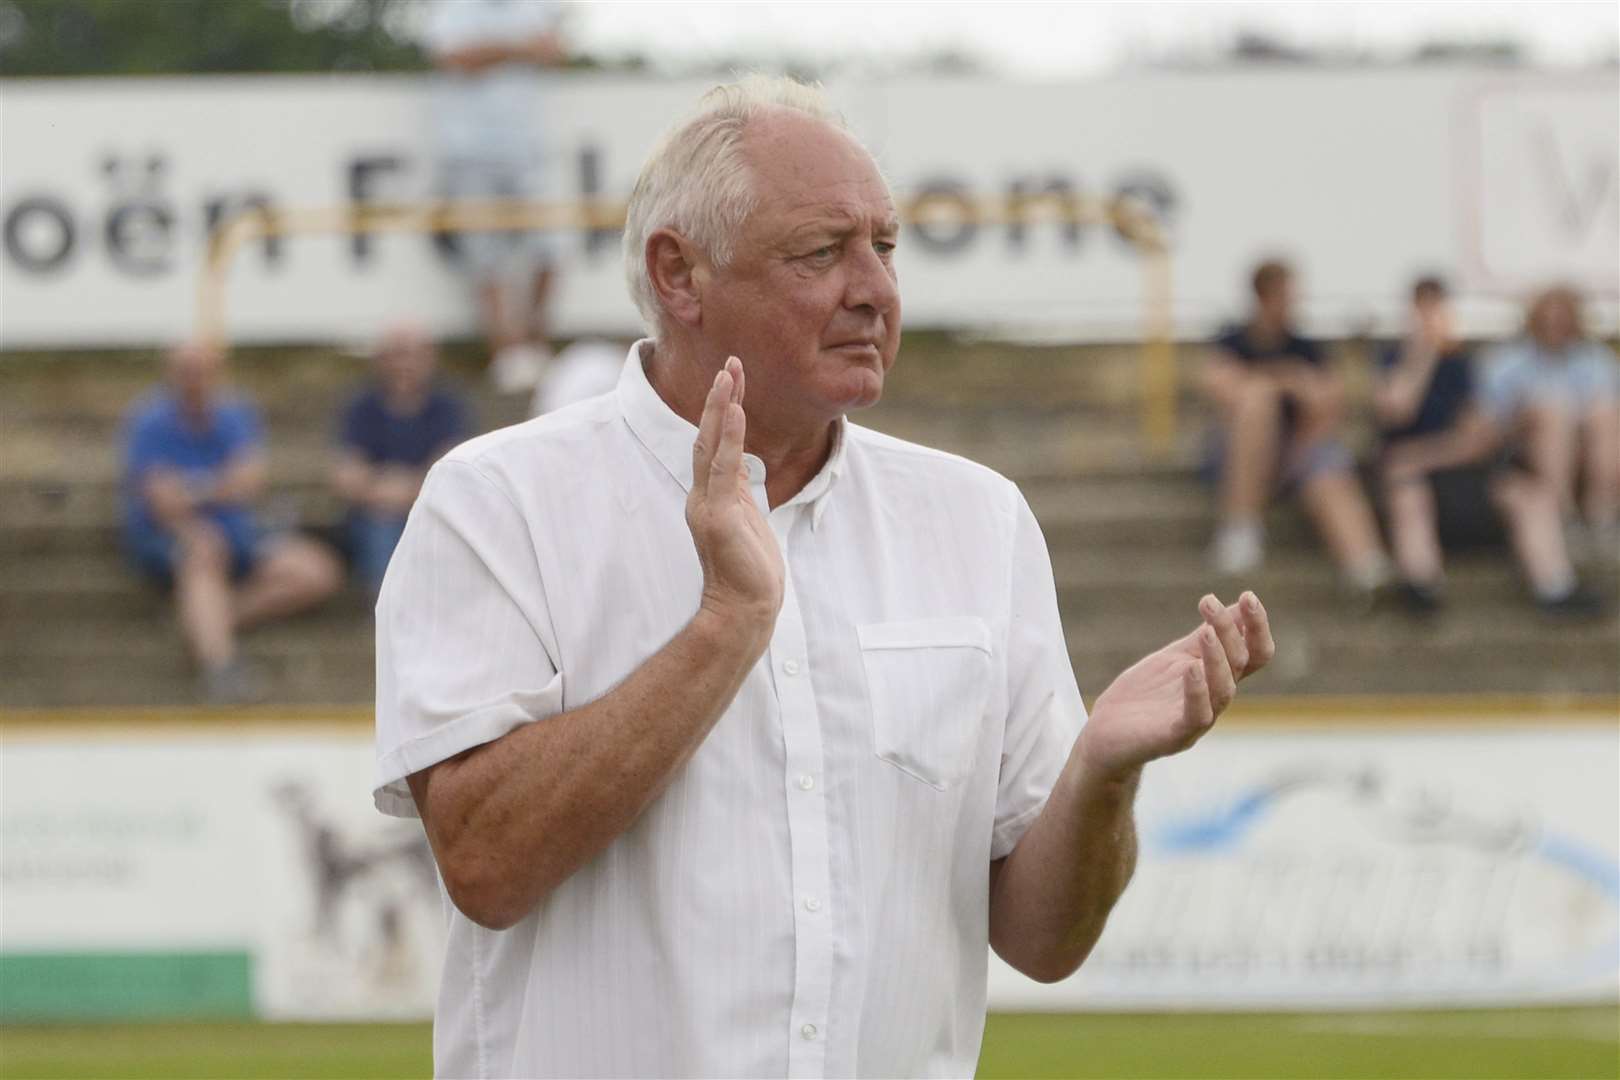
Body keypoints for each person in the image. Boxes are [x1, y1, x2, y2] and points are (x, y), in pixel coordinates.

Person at [374, 76, 1275, 1079]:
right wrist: (725, 626)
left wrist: (1104, 774)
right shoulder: (497, 502)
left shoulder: (978, 520)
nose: (875, 289)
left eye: (885, 247)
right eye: (821, 251)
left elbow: (1043, 942)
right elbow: (487, 865)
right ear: (680, 275)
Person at [122, 342, 342, 702]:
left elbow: (250, 483)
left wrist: (191, 488)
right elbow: (163, 502)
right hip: (168, 536)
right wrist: (213, 494)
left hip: (239, 532)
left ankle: (204, 625)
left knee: (315, 571)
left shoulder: (236, 413)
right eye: (186, 371)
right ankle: (221, 668)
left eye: (202, 371)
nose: (195, 380)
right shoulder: (149, 421)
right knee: (203, 551)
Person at [1375, 277, 1601, 616]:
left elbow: (1480, 439)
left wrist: (1421, 456)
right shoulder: (1390, 359)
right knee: (1408, 492)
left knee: (1531, 495)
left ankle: (1555, 587)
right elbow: (1397, 409)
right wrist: (1422, 352)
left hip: (1461, 476)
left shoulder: (1467, 368)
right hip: (1415, 483)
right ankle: (1421, 585)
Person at [1202, 259, 1392, 598]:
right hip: (1240, 454)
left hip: (1297, 452)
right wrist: (1285, 379)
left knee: (1328, 468)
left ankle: (1366, 566)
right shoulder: (1233, 340)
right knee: (1258, 404)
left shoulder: (1306, 346)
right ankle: (1240, 525)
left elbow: (1330, 400)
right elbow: (1223, 387)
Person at [423, 0, 565, 394]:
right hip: (469, 153)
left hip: (528, 152)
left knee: (552, 248)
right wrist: (518, 49)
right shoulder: (452, 8)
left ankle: (534, 350)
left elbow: (554, 50)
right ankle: (507, 355)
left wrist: (494, 50)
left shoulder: (533, 8)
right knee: (485, 259)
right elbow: (453, 57)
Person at [1478, 284, 1620, 563]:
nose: (1555, 327)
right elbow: (1487, 427)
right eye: (1548, 320)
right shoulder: (1505, 362)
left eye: (1563, 321)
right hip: (1522, 453)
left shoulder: (1597, 360)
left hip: (1588, 451)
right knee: (1553, 413)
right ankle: (1563, 520)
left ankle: (1601, 517)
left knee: (1604, 412)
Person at [331, 322, 469, 595]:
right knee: (382, 524)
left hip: (430, 509)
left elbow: (455, 469)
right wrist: (396, 490)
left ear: (430, 358)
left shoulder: (449, 407)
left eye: (413, 354)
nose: (404, 363)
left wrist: (401, 490)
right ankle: (390, 602)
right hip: (373, 515)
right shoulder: (360, 407)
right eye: (396, 354)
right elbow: (345, 476)